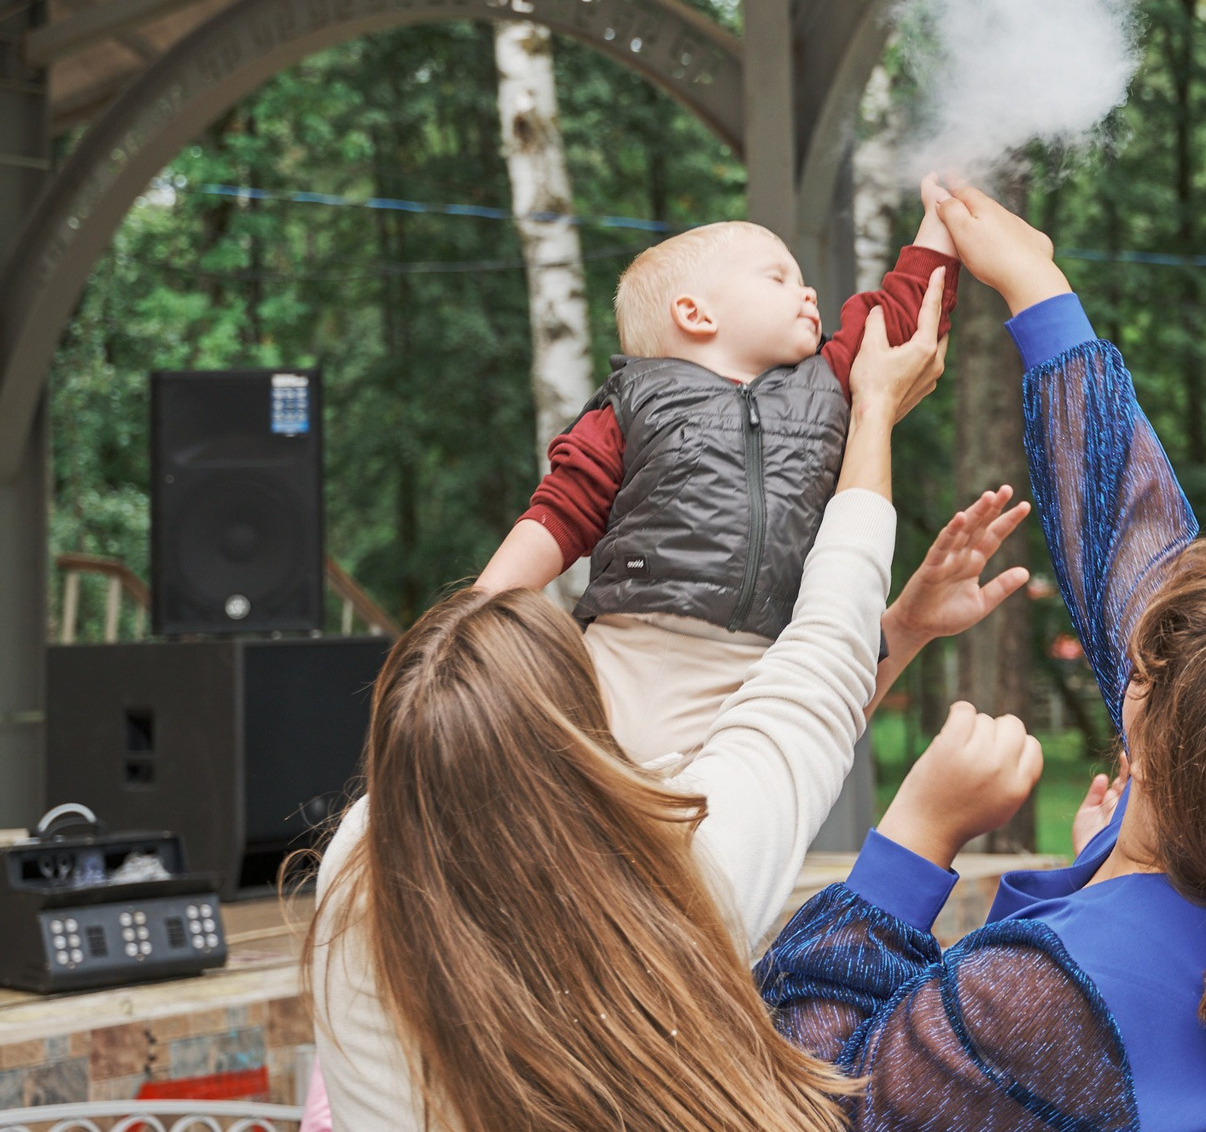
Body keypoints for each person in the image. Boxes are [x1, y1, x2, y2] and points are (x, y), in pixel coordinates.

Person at [755, 181, 1206, 1131]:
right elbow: (1137, 563)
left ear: (1149, 740)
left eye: (1140, 667)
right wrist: (1039, 292)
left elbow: (808, 1091)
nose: (1130, 648)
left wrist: (914, 840)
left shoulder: (1034, 1002)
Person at [303, 279, 1030, 1132]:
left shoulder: (357, 871)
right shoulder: (681, 877)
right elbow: (812, 682)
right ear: (581, 737)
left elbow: (807, 697)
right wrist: (871, 410)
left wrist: (900, 626)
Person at [472, 205, 959, 762]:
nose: (809, 294)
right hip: (633, 650)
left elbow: (900, 317)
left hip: (768, 665)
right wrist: (478, 609)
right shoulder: (636, 400)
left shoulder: (827, 382)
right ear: (695, 314)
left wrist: (943, 218)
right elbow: (561, 513)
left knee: (721, 823)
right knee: (584, 802)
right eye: (779, 278)